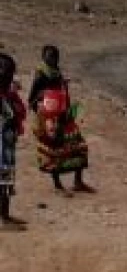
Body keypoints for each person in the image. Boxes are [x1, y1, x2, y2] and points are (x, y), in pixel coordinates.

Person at [28, 45, 93, 196]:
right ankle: (57, 186)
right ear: (43, 57)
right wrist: (43, 101)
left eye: (55, 56)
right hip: (49, 118)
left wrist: (68, 110)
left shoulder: (56, 71)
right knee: (54, 152)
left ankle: (78, 181)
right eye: (50, 56)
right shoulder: (41, 74)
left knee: (79, 145)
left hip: (64, 115)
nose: (53, 59)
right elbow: (31, 100)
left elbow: (62, 93)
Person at [0, 52, 27, 230]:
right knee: (4, 179)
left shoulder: (8, 93)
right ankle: (3, 219)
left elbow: (19, 113)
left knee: (7, 179)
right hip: (3, 143)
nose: (7, 74)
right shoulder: (5, 95)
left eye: (9, 71)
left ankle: (5, 216)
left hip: (7, 144)